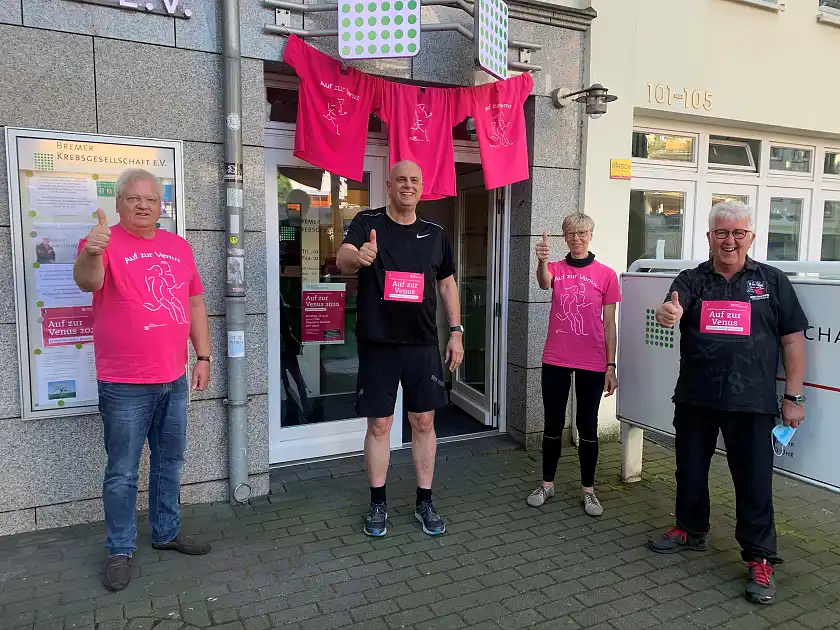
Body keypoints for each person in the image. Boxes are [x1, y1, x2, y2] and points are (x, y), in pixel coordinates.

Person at [647, 201, 808, 606]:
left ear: (751, 237)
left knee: (754, 483)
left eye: (738, 233)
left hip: (751, 402)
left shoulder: (771, 281)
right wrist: (669, 312)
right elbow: (673, 304)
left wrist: (794, 395)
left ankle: (759, 558)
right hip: (697, 397)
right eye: (721, 233)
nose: (729, 240)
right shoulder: (692, 279)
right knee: (689, 469)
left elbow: (792, 340)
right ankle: (690, 528)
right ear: (709, 238)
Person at [74, 169, 212, 592]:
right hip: (124, 382)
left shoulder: (179, 247)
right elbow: (87, 282)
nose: (143, 205)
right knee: (122, 471)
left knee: (170, 462)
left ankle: (167, 532)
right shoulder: (102, 242)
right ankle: (120, 549)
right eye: (133, 198)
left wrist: (202, 355)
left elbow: (194, 301)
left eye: (151, 199)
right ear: (119, 203)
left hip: (173, 379)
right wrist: (93, 253)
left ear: (160, 205)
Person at [336, 160, 464, 537]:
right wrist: (357, 257)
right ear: (388, 185)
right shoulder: (367, 222)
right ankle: (378, 504)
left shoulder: (436, 233)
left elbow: (447, 285)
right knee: (380, 424)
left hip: (422, 343)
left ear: (421, 187)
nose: (408, 186)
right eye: (401, 180)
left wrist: (455, 332)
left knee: (424, 422)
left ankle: (425, 501)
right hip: (378, 342)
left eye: (414, 180)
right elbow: (343, 258)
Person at [526, 213, 620, 517]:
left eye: (582, 233)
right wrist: (541, 260)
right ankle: (547, 483)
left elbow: (610, 324)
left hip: (592, 361)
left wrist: (611, 365)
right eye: (571, 234)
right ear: (564, 237)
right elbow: (544, 283)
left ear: (591, 234)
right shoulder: (556, 268)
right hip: (556, 357)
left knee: (587, 426)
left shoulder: (606, 274)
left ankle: (589, 491)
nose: (577, 239)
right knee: (553, 423)